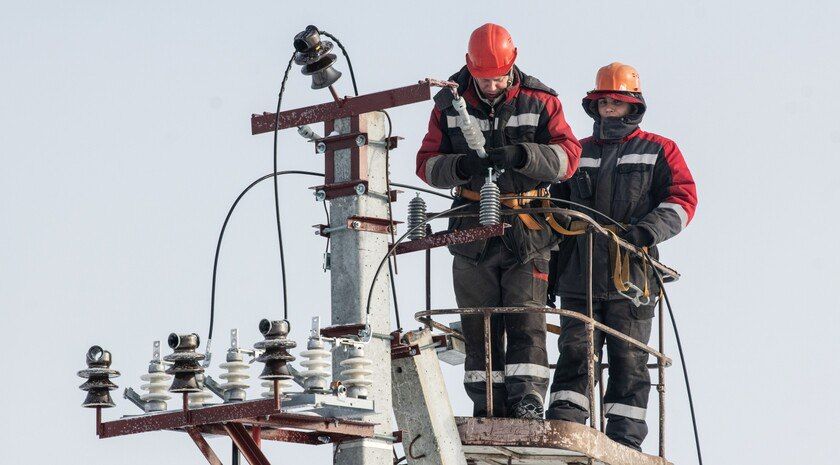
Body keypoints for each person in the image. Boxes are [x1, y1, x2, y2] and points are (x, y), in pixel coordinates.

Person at [416, 23, 581, 419]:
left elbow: (568, 157)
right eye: (483, 79)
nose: (491, 86)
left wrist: (524, 155)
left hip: (527, 227)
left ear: (513, 66)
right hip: (472, 226)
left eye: (498, 79)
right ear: (469, 69)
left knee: (526, 317)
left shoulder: (541, 101)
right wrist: (461, 166)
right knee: (478, 324)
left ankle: (527, 400)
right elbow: (427, 165)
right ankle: (486, 404)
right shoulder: (449, 104)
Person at [545, 62, 698, 449]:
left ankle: (625, 439)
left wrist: (647, 230)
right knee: (575, 351)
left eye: (616, 102)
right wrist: (550, 274)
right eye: (602, 103)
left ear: (633, 106)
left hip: (632, 276)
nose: (608, 109)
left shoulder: (659, 149)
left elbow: (682, 200)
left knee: (630, 360)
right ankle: (565, 422)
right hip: (580, 275)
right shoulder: (576, 152)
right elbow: (555, 216)